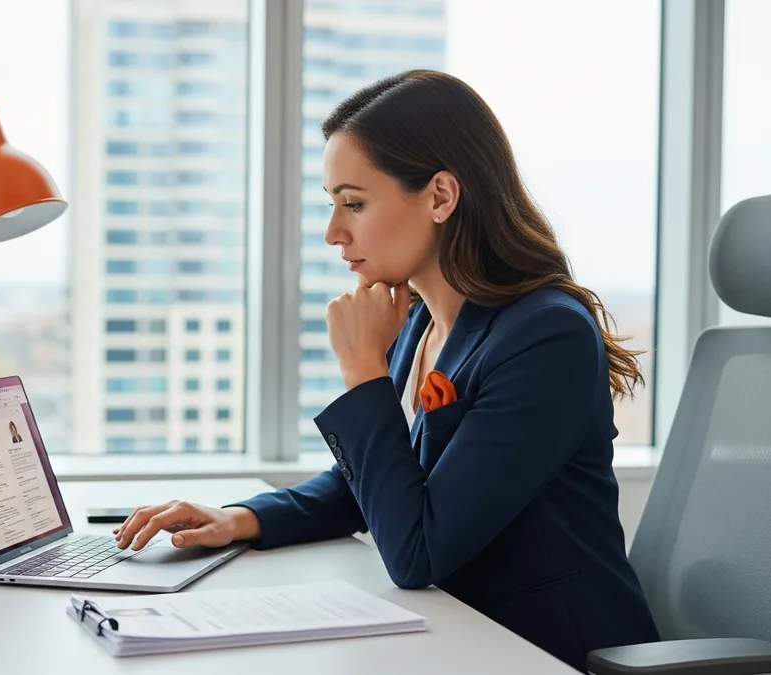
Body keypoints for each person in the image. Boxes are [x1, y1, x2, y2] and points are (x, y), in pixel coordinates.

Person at [113, 69, 659, 672]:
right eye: (332, 204)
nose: (333, 233)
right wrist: (239, 519)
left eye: (354, 203)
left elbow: (417, 552)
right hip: (454, 637)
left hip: (546, 652)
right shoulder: (420, 320)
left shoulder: (546, 335)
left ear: (440, 196)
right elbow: (370, 488)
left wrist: (363, 372)